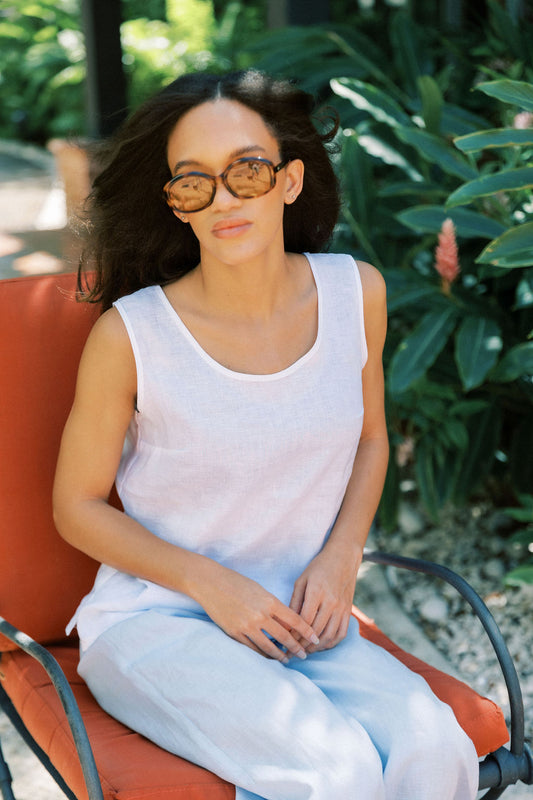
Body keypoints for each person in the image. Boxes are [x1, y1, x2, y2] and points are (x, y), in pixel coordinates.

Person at [53, 69, 478, 800]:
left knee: (438, 750)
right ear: (175, 206)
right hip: (157, 625)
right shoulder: (133, 336)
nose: (223, 199)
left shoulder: (357, 294)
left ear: (288, 181)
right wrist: (211, 585)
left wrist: (343, 555)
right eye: (193, 183)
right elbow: (76, 507)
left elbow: (371, 439)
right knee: (333, 773)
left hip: (299, 621)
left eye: (246, 171)